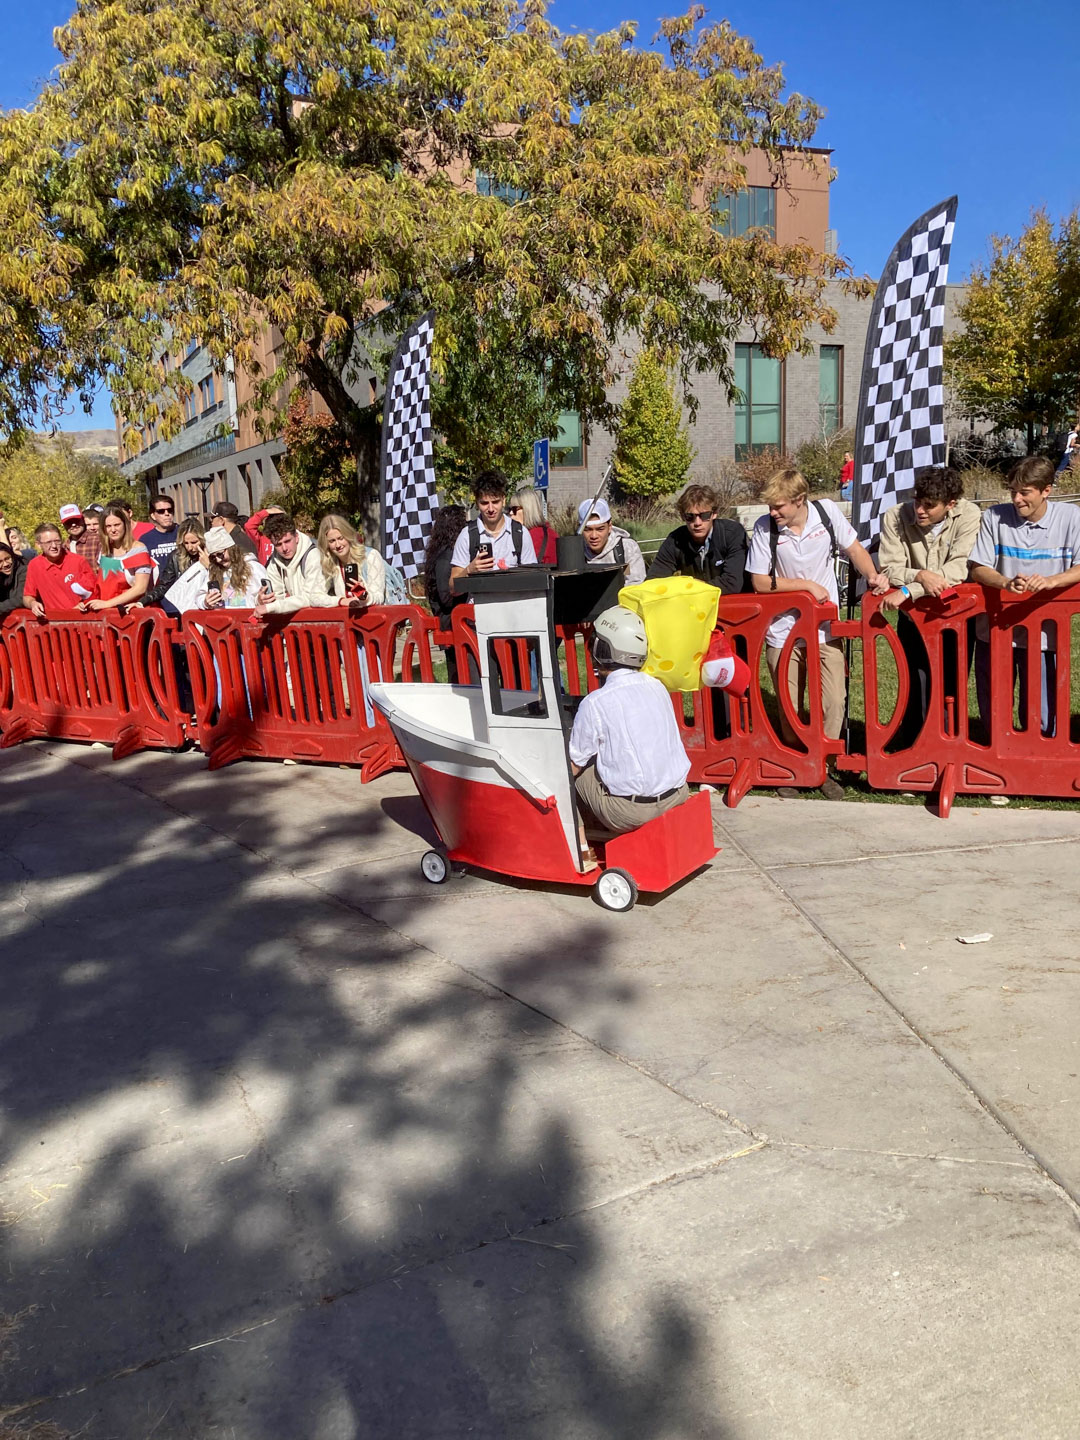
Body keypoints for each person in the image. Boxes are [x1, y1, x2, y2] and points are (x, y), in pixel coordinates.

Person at [747, 466, 889, 799]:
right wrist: (805, 586)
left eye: (778, 506)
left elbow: (855, 550)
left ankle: (822, 765)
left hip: (826, 628)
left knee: (834, 700)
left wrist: (872, 576)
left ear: (799, 499)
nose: (772, 512)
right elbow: (759, 582)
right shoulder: (765, 527)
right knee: (789, 704)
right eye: (770, 506)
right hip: (783, 630)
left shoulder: (826, 513)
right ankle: (796, 765)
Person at [968, 456, 1080, 738]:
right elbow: (977, 567)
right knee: (994, 714)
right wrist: (1005, 583)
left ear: (1046, 490)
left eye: (1025, 492)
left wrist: (1052, 581)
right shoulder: (994, 516)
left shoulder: (1071, 517)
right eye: (1013, 491)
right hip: (995, 631)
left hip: (1045, 636)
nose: (1017, 499)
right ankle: (996, 755)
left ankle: (1040, 758)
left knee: (1042, 716)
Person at [878, 466, 981, 749]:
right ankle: (914, 746)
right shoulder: (895, 516)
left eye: (929, 505)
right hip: (914, 618)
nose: (920, 510)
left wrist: (911, 588)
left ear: (951, 504)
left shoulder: (970, 514)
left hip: (956, 616)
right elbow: (889, 567)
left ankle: (950, 744)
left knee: (953, 683)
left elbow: (960, 566)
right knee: (916, 681)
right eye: (916, 502)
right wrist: (921, 576)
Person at [568, 605, 691, 840]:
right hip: (677, 795)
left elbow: (574, 763)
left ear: (601, 648)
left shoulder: (595, 702)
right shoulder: (657, 686)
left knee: (569, 774)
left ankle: (581, 846)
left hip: (631, 812)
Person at [646, 484, 747, 593]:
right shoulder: (675, 540)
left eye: (704, 516)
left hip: (735, 600)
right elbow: (653, 582)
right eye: (690, 517)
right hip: (694, 600)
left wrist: (693, 587)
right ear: (682, 516)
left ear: (714, 514)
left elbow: (732, 583)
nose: (697, 523)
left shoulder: (732, 533)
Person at [450, 470, 537, 585]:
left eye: (495, 502)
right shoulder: (467, 535)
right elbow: (452, 587)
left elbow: (533, 580)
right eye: (484, 503)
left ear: (503, 500)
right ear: (477, 503)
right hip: (479, 597)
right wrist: (469, 570)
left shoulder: (520, 533)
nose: (491, 509)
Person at [254, 512, 338, 616]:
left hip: (326, 616)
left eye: (287, 541)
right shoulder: (274, 563)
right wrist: (261, 601)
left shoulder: (314, 556)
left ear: (296, 537)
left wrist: (272, 607)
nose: (284, 548)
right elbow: (275, 599)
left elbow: (310, 597)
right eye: (278, 544)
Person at [83, 504, 153, 612]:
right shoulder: (104, 551)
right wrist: (86, 603)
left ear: (125, 525)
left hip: (130, 612)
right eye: (108, 526)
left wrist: (108, 604)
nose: (113, 530)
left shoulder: (138, 549)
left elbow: (140, 588)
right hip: (106, 612)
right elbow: (100, 586)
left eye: (117, 525)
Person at [22, 523, 99, 616]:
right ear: (38, 545)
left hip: (81, 619)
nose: (54, 546)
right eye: (48, 542)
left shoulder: (78, 561)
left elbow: (94, 592)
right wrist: (32, 603)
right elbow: (28, 596)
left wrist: (83, 604)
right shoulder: (34, 565)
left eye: (57, 541)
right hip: (54, 622)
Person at [316, 514, 387, 605]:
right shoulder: (330, 563)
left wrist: (364, 596)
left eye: (340, 538)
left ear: (348, 536)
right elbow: (315, 596)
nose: (338, 545)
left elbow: (379, 597)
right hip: (347, 614)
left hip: (376, 612)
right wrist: (341, 601)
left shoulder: (370, 556)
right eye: (332, 541)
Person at [142, 519, 206, 611]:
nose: (190, 547)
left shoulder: (212, 555)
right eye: (186, 543)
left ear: (202, 539)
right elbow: (164, 586)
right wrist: (143, 601)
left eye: (194, 542)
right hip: (186, 608)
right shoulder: (176, 557)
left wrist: (208, 565)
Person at [577, 498, 646, 584]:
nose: (594, 536)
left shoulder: (626, 549)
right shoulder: (575, 552)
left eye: (600, 529)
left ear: (609, 527)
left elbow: (634, 583)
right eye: (588, 530)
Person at [201, 526, 271, 608]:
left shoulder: (253, 567)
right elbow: (200, 595)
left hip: (249, 614)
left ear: (231, 549)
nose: (218, 560)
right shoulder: (214, 570)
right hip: (223, 615)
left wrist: (259, 601)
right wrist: (205, 602)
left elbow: (266, 594)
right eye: (213, 557)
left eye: (220, 554)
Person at [509, 489, 557, 564]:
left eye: (514, 509)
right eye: (510, 509)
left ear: (528, 510)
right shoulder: (550, 533)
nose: (511, 513)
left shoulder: (531, 536)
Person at [140, 494, 179, 575]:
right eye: (161, 511)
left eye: (170, 510)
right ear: (153, 515)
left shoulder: (184, 533)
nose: (167, 514)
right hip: (159, 582)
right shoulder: (145, 540)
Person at [59, 504, 101, 571]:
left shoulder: (97, 540)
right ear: (63, 525)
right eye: (68, 522)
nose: (73, 525)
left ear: (82, 520)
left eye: (76, 520)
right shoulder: (63, 547)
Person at [0, 543, 28, 616]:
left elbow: (21, 599)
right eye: (0, 562)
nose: (5, 564)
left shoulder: (24, 571)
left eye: (7, 558)